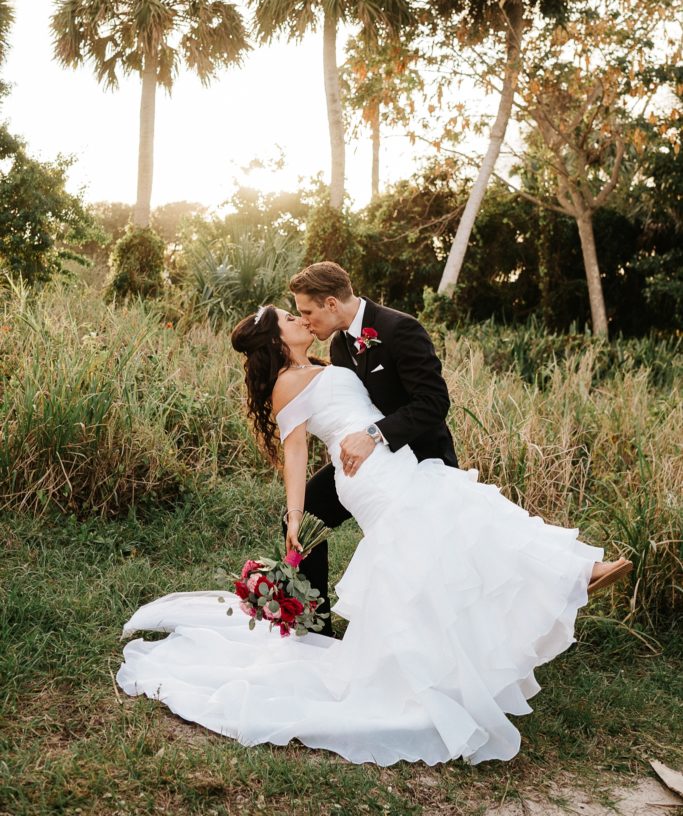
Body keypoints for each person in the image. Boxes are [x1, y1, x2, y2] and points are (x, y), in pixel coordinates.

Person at [116, 300, 633, 767]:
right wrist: (294, 516)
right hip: (368, 475)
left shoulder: (327, 358)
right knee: (456, 516)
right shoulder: (286, 385)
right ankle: (569, 574)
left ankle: (551, 587)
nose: (301, 320)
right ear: (278, 340)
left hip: (393, 455)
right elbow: (295, 454)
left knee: (456, 523)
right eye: (290, 319)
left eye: (301, 313)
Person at [287, 261, 459, 637]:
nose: (305, 321)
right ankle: (315, 628)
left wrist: (375, 434)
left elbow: (434, 402)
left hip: (420, 455)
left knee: (441, 552)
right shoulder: (338, 343)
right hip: (367, 461)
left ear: (331, 303)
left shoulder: (400, 329)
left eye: (307, 312)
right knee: (307, 514)